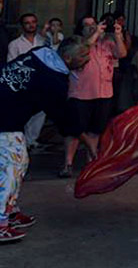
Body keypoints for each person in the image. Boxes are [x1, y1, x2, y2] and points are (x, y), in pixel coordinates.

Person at [0, 36, 90, 242]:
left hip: (9, 118)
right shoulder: (53, 80)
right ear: (67, 58)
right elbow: (63, 117)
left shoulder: (42, 54)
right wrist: (86, 140)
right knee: (10, 168)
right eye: (84, 56)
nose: (88, 60)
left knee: (19, 163)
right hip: (4, 119)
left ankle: (10, 211)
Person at [60, 15, 127, 178]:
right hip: (80, 94)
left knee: (95, 130)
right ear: (81, 29)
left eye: (94, 24)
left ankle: (90, 163)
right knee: (74, 130)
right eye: (87, 25)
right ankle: (68, 164)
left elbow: (122, 54)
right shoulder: (75, 43)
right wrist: (96, 33)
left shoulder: (107, 43)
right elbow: (82, 50)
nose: (92, 27)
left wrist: (118, 35)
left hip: (103, 93)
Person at [8, 14, 45, 150]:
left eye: (33, 22)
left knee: (40, 113)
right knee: (23, 112)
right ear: (22, 25)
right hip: (23, 83)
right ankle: (22, 141)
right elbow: (11, 64)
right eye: (27, 23)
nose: (31, 25)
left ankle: (32, 140)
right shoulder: (15, 44)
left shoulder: (43, 41)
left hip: (41, 82)